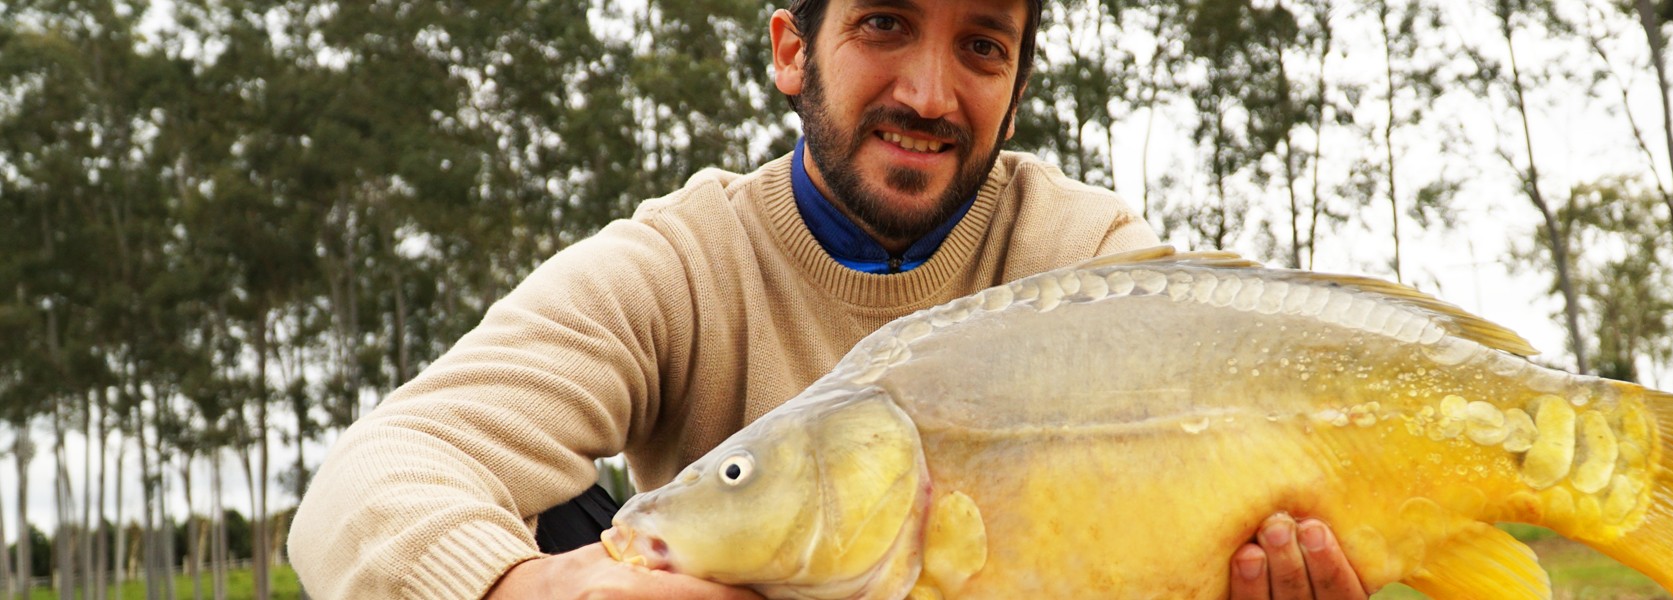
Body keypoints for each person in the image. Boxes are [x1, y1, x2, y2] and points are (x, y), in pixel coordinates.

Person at [287, 0, 1374, 598]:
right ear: (792, 48)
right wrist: (537, 594)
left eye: (982, 46)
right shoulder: (682, 262)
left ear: (1016, 85)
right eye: (885, 25)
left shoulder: (1083, 259)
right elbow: (367, 483)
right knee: (578, 527)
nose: (929, 94)